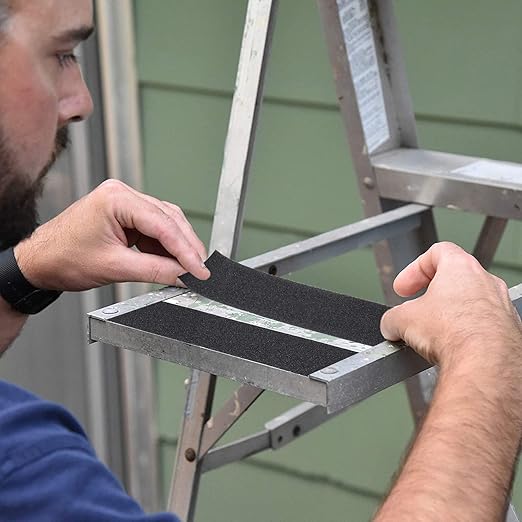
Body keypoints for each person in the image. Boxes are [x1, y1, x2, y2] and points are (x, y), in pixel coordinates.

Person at [0, 1, 520, 521]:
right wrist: (483, 359)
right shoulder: (27, 471)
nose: (82, 101)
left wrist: (19, 276)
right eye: (62, 54)